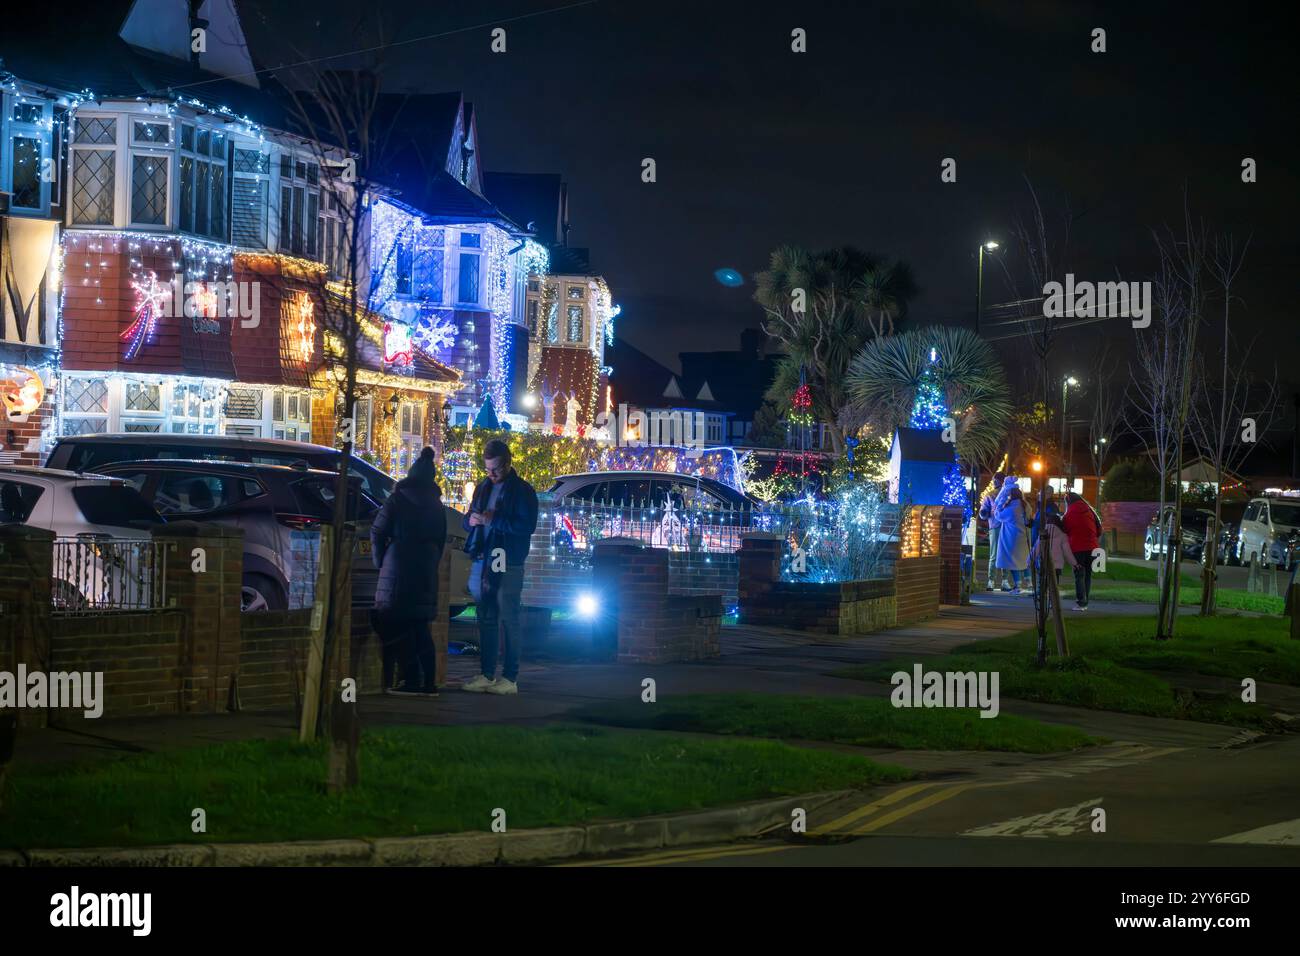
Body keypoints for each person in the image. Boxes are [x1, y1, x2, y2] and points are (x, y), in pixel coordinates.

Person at [462, 439, 539, 695]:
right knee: (487, 617)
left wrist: (493, 520)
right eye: (487, 469)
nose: (491, 474)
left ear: (507, 464)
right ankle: (487, 674)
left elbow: (526, 527)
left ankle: (510, 677)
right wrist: (471, 520)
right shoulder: (483, 487)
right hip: (483, 558)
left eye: (495, 469)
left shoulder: (522, 492)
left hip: (507, 560)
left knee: (508, 618)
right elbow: (470, 518)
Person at [370, 446, 447, 697]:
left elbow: (378, 531)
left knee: (398, 625)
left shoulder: (397, 499)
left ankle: (410, 679)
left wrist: (380, 560)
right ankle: (429, 684)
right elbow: (441, 539)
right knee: (420, 627)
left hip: (398, 567)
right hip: (425, 570)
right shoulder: (437, 505)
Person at [1062, 491, 1102, 610]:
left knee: (1079, 575)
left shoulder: (1069, 514)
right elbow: (1099, 530)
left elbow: (1065, 530)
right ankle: (1085, 602)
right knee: (1087, 575)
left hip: (1078, 548)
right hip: (1093, 548)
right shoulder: (1090, 511)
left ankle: (1081, 602)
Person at [995, 486, 1032, 593]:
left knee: (1013, 562)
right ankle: (1030, 585)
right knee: (1025, 562)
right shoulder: (1026, 506)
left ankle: (1018, 586)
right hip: (1024, 537)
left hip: (1012, 538)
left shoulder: (1011, 508)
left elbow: (998, 515)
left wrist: (1001, 501)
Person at [978, 471, 1006, 591]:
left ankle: (996, 581)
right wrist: (983, 513)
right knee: (999, 553)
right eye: (994, 479)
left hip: (998, 526)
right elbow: (984, 510)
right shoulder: (995, 495)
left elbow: (984, 511)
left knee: (996, 554)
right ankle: (996, 580)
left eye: (996, 479)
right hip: (1001, 526)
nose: (994, 481)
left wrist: (984, 513)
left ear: (1001, 481)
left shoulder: (995, 494)